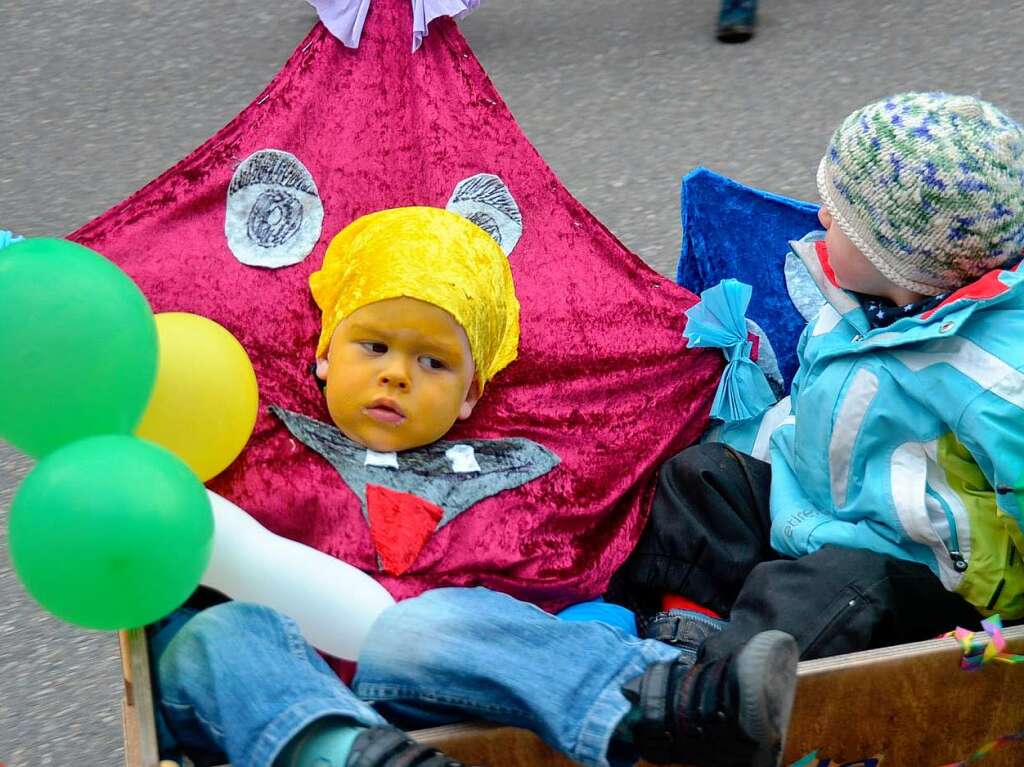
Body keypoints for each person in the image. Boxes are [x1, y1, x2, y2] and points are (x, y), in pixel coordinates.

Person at [151, 204, 797, 767]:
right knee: (208, 640)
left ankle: (666, 701)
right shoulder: (264, 439)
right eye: (372, 347)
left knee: (430, 619)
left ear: (470, 395)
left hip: (426, 676)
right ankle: (348, 754)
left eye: (432, 362)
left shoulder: (497, 469)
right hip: (280, 695)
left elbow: (536, 598)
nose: (396, 375)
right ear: (323, 353)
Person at [612, 92, 1024, 708]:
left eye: (842, 216)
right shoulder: (854, 298)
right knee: (699, 477)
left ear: (906, 263)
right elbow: (807, 406)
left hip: (920, 573)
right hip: (817, 506)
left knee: (814, 592)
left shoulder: (991, 375)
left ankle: (713, 704)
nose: (822, 221)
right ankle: (688, 632)